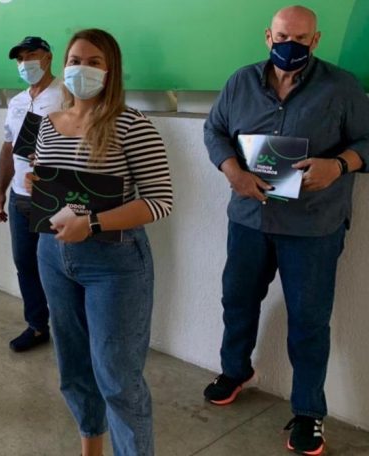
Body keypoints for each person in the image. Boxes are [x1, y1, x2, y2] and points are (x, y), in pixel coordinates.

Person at [203, 6, 369, 455]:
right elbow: (215, 129)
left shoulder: (342, 86)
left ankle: (309, 413)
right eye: (281, 36)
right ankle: (235, 370)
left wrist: (338, 165)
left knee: (309, 321)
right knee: (237, 300)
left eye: (300, 37)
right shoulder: (241, 82)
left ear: (315, 41)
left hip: (313, 226)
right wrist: (231, 170)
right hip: (249, 219)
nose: (289, 44)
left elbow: (367, 141)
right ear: (267, 36)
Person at [30, 29, 173, 456]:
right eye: (75, 60)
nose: (82, 69)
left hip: (115, 262)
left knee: (118, 378)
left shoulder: (132, 125)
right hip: (53, 255)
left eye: (94, 62)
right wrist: (37, 184)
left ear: (111, 72)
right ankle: (90, 447)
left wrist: (91, 223)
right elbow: (53, 180)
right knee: (73, 366)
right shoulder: (47, 124)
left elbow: (159, 201)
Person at [0, 36, 64, 352]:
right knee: (25, 263)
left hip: (54, 197)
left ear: (48, 58)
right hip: (19, 195)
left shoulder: (66, 95)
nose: (25, 63)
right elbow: (8, 146)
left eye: (31, 55)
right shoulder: (17, 101)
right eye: (20, 58)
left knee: (60, 267)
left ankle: (68, 330)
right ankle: (37, 326)